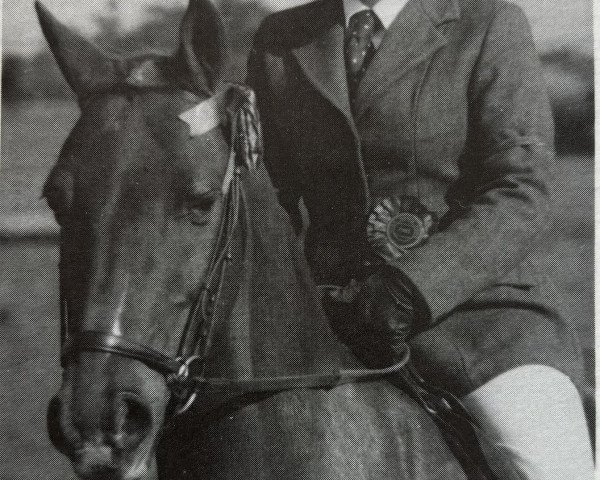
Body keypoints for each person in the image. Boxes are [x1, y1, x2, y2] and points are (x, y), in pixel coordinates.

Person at [246, 0, 594, 477]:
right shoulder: (279, 39)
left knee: (542, 461)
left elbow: (522, 189)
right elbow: (267, 195)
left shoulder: (488, 22)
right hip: (330, 319)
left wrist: (412, 286)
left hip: (477, 318)